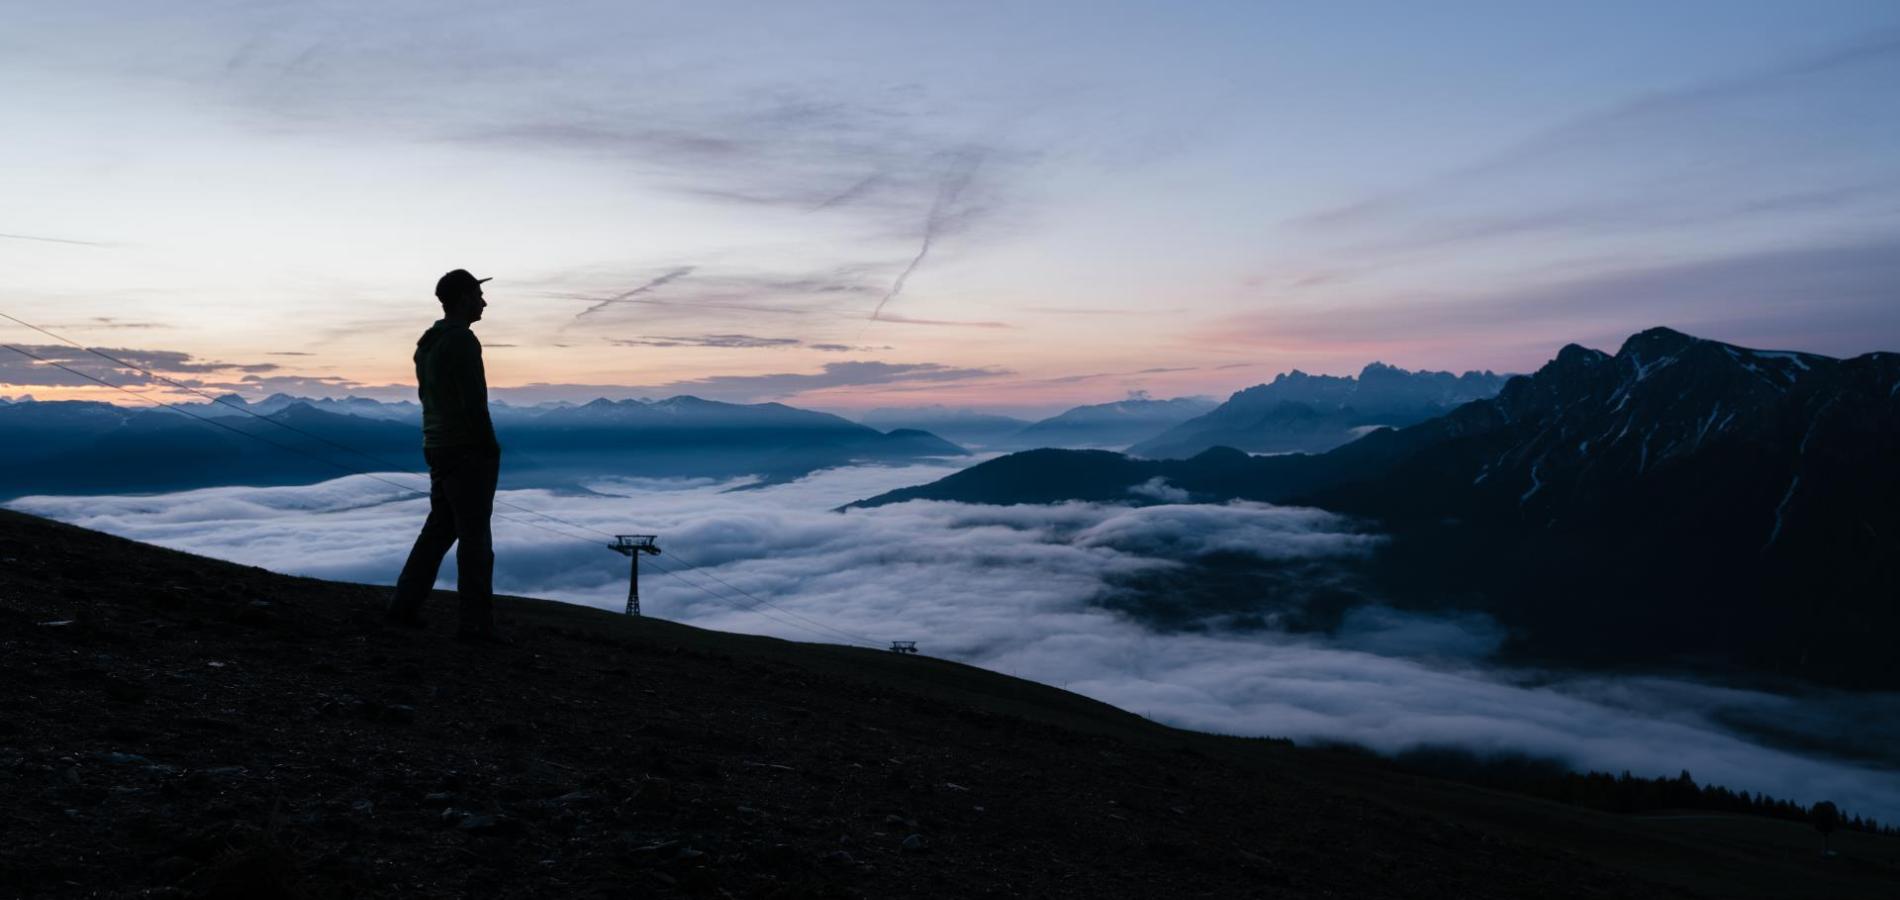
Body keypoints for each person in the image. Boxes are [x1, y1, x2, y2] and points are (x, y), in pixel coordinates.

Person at [386, 269, 510, 644]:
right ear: (461, 299)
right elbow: (474, 403)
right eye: (477, 295)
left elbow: (428, 399)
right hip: (467, 449)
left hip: (437, 446)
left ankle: (403, 607)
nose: (483, 302)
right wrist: (489, 447)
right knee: (475, 538)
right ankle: (476, 626)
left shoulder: (428, 343)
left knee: (439, 529)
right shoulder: (462, 342)